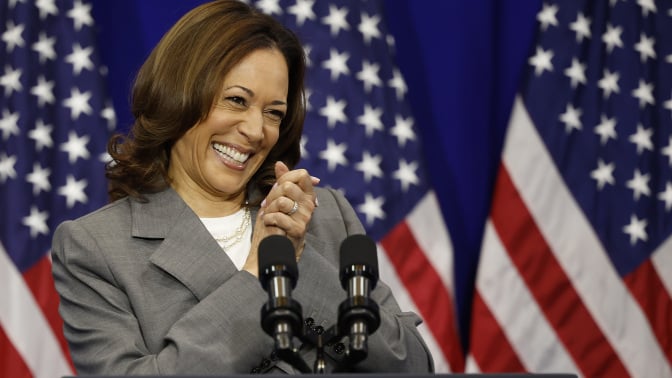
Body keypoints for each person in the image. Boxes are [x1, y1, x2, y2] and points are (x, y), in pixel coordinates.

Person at [51, 0, 434, 374]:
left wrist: (299, 262)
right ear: (177, 95)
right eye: (236, 100)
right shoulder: (95, 248)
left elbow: (413, 364)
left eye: (273, 113)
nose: (255, 131)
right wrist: (259, 277)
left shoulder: (327, 215)